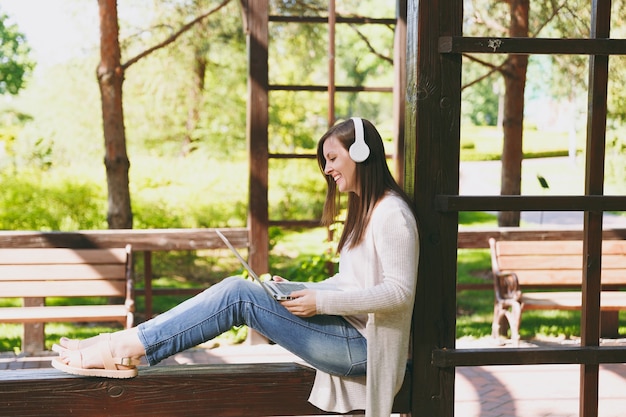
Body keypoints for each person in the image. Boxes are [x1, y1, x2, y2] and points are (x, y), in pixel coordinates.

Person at [52, 117, 419, 417]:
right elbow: (352, 282)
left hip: (364, 348)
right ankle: (121, 347)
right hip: (349, 337)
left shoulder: (392, 214)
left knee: (238, 295)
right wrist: (297, 288)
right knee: (241, 291)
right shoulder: (368, 212)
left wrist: (320, 304)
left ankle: (120, 349)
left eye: (333, 158)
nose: (326, 169)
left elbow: (399, 294)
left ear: (360, 153)